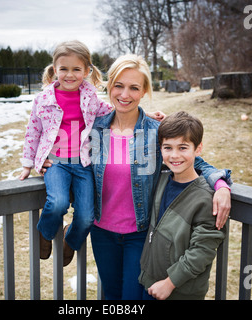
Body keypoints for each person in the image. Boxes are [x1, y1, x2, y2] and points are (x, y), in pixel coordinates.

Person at [89, 54, 232, 300]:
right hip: (101, 233)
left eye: (134, 87)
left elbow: (195, 162)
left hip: (140, 235)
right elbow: (70, 162)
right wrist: (47, 163)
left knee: (132, 298)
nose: (125, 94)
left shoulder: (155, 131)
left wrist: (220, 185)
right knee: (111, 297)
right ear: (110, 85)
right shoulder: (94, 129)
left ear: (144, 91)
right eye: (119, 85)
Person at [18, 40, 113, 266]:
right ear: (54, 69)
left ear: (87, 71)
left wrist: (145, 114)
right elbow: (33, 130)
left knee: (87, 216)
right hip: (56, 163)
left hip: (83, 164)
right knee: (58, 203)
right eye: (64, 69)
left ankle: (70, 239)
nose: (69, 74)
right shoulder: (44, 100)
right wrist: (28, 163)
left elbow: (115, 112)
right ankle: (45, 232)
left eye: (76, 69)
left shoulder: (90, 99)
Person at [139, 111, 226, 300]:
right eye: (167, 148)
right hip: (150, 282)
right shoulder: (161, 178)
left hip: (180, 291)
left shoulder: (205, 198)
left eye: (183, 148)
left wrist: (170, 283)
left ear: (198, 149)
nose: (174, 155)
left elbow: (202, 251)